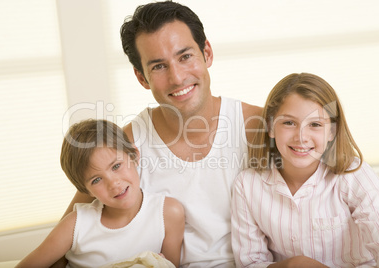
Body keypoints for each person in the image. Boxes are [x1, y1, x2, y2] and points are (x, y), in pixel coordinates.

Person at [62, 1, 262, 267]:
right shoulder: (129, 143)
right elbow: (69, 235)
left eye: (185, 56)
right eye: (158, 66)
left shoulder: (259, 127)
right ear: (141, 77)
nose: (177, 77)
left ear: (207, 53)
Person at [231, 72, 379, 267]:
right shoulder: (248, 185)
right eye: (289, 123)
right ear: (270, 127)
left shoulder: (352, 174)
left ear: (332, 131)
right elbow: (250, 261)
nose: (301, 137)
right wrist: (291, 265)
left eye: (315, 124)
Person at [16, 119, 184, 268]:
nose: (114, 183)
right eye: (96, 180)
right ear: (85, 190)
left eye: (116, 166)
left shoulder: (168, 213)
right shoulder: (75, 225)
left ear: (134, 155)